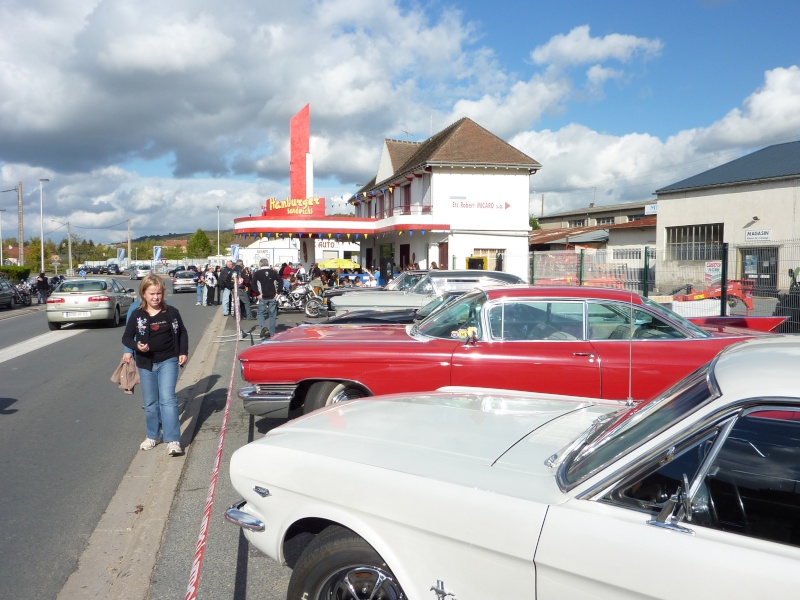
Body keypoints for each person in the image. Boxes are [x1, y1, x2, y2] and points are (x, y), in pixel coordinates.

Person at [122, 275, 188, 456]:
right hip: (145, 363)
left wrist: (183, 352)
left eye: (159, 293)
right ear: (143, 294)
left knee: (168, 399)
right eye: (151, 293)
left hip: (168, 360)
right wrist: (136, 347)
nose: (155, 297)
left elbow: (182, 332)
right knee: (150, 403)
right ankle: (153, 435)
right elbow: (126, 337)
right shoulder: (137, 314)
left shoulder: (171, 312)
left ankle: (173, 440)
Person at [252, 258, 282, 339]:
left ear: (260, 264)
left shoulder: (257, 273)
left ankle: (263, 326)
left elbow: (253, 284)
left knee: (260, 313)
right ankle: (272, 334)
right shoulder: (273, 272)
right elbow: (281, 281)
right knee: (272, 315)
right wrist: (278, 292)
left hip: (263, 296)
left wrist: (257, 294)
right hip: (272, 296)